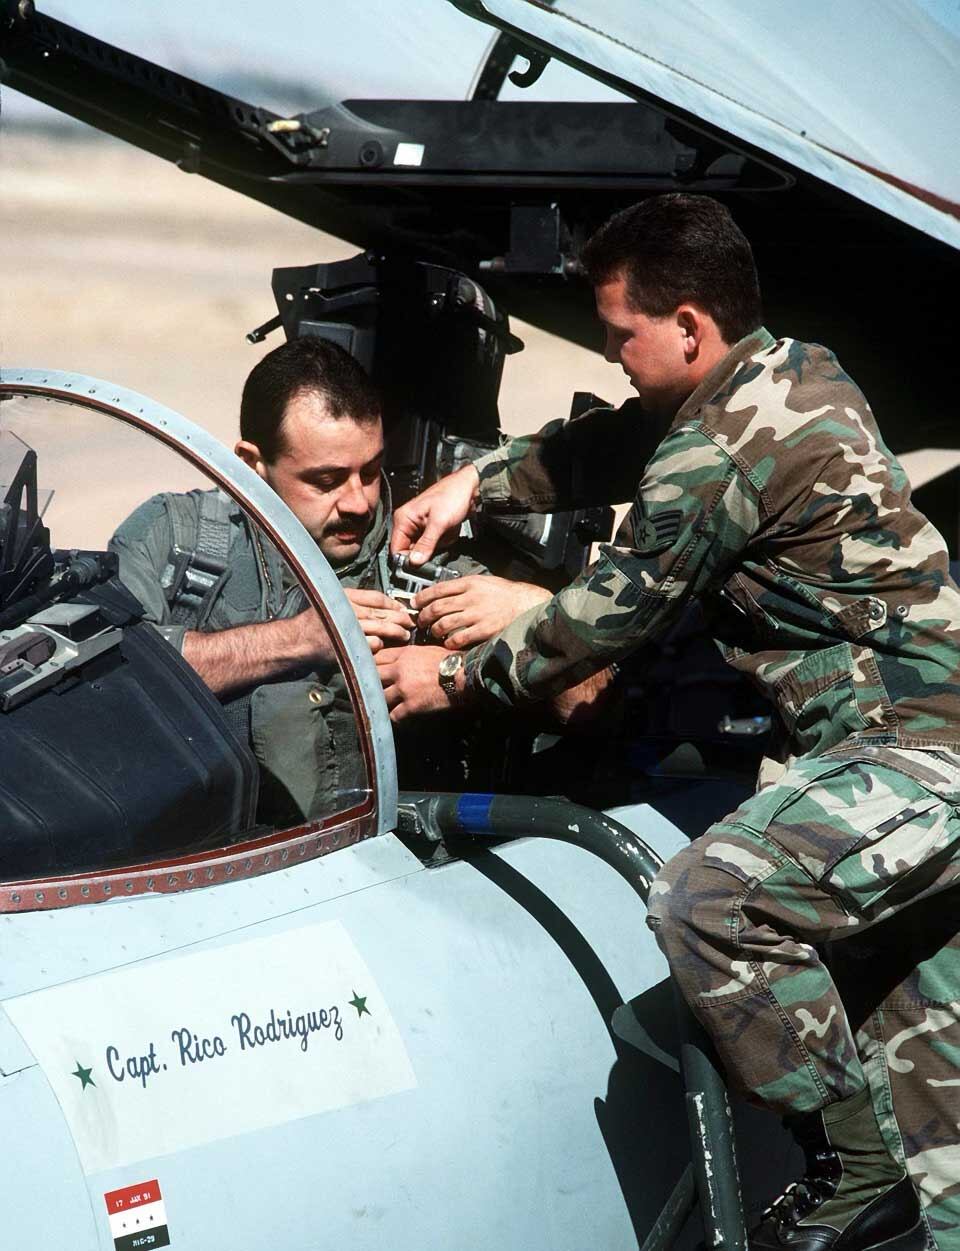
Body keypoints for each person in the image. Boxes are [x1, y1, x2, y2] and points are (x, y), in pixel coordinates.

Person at [377, 193, 960, 1251]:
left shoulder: (725, 452)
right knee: (931, 1101)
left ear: (689, 326)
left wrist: (454, 680)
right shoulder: (792, 373)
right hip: (904, 758)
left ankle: (852, 1168)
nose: (614, 355)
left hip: (921, 758)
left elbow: (612, 612)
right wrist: (480, 482)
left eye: (622, 335)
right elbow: (626, 442)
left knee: (707, 896)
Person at [110, 336, 544, 821]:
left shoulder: (429, 568)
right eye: (326, 481)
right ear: (253, 465)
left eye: (372, 471)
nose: (359, 502)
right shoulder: (179, 539)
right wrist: (298, 640)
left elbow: (583, 700)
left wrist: (520, 619)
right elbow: (105, 680)